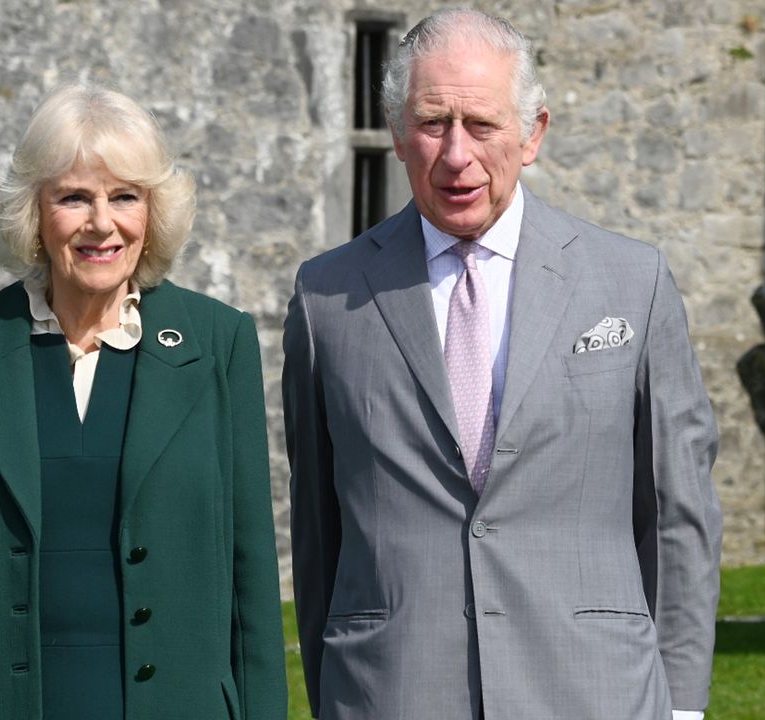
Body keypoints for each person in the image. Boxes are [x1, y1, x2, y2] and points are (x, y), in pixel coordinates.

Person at [284, 9, 722, 720]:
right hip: (391, 692)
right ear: (398, 134)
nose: (456, 154)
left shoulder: (630, 283)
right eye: (432, 123)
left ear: (533, 134)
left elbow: (678, 514)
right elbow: (318, 531)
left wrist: (682, 707)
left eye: (482, 125)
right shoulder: (326, 298)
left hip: (596, 691)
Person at [0, 83, 287, 720]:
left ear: (152, 214)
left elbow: (250, 571)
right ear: (34, 213)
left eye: (125, 196)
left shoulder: (218, 344)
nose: (102, 223)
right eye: (74, 197)